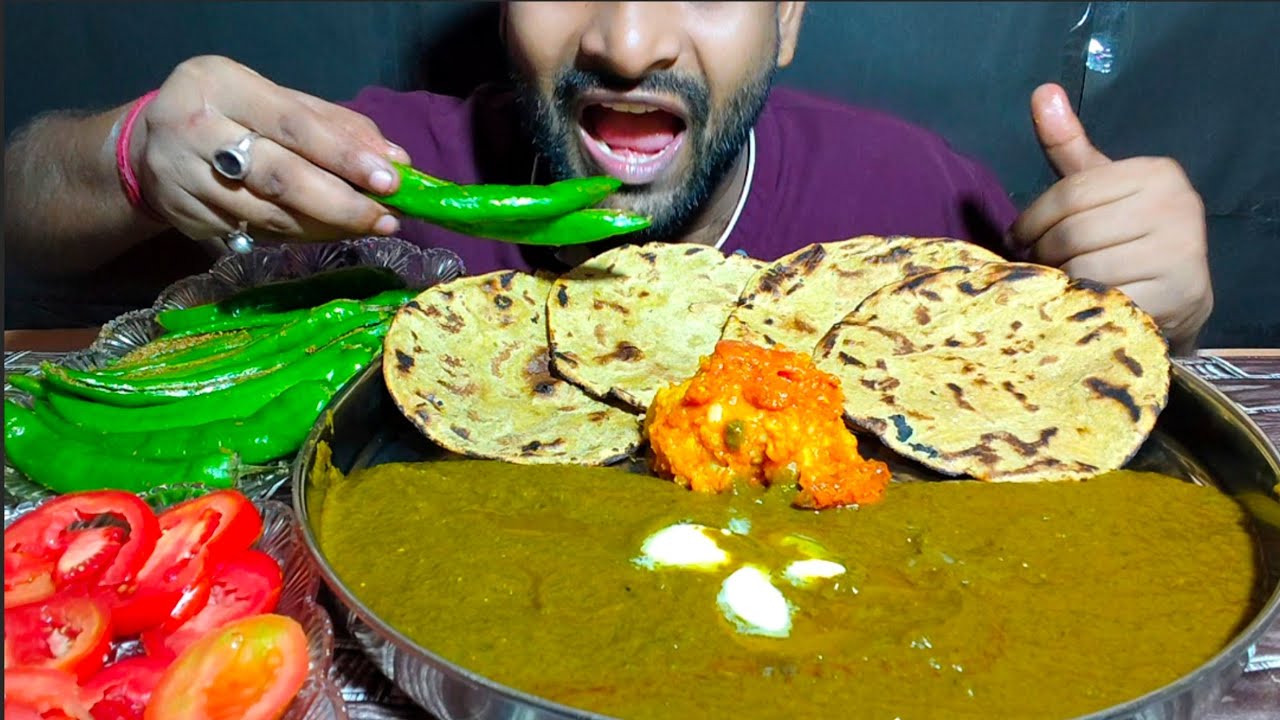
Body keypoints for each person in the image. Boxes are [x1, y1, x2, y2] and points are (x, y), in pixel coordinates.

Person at [4, 1, 1211, 355]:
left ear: (788, 19)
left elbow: (1072, 363)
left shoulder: (920, 203)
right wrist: (133, 153)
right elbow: (21, 214)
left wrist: (1151, 307)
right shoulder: (372, 167)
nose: (627, 42)